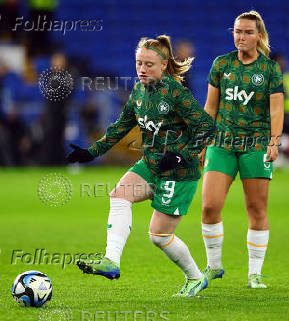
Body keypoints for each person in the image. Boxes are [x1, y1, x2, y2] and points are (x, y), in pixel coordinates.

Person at [67, 35, 215, 297]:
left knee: (159, 236)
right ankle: (111, 261)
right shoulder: (138, 92)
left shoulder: (175, 92)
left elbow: (206, 126)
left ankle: (195, 277)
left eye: (149, 64)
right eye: (139, 63)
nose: (142, 69)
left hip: (180, 172)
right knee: (119, 195)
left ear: (163, 64)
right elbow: (119, 128)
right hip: (152, 163)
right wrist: (92, 152)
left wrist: (182, 154)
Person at [198, 11, 284, 289]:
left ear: (259, 36)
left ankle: (255, 273)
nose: (241, 37)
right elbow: (210, 107)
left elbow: (276, 108)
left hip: (256, 145)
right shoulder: (221, 64)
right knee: (210, 206)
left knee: (256, 208)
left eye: (247, 32)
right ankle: (213, 267)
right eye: (237, 31)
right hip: (221, 143)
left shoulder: (270, 69)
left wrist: (274, 141)